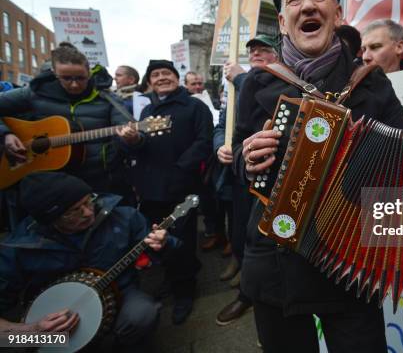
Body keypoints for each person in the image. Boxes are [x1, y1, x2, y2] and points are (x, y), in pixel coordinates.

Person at [234, 0, 403, 351]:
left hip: (351, 264)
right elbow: (235, 170)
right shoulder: (255, 85)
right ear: (282, 21)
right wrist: (247, 161)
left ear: (338, 13)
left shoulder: (370, 82)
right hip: (275, 265)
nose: (308, 4)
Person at [0, 172, 169, 351]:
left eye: (89, 201)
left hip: (119, 292)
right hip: (58, 328)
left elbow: (162, 253)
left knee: (142, 315)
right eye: (74, 211)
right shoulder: (18, 248)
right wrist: (31, 333)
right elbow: (4, 339)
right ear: (49, 220)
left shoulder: (121, 216)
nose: (89, 213)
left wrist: (164, 244)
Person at [117, 59, 213, 325]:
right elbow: (140, 147)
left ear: (176, 78)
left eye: (166, 73)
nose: (161, 77)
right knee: (159, 240)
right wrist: (132, 141)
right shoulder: (147, 110)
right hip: (150, 191)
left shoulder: (195, 106)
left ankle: (185, 292)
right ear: (149, 81)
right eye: (155, 74)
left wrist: (179, 169)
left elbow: (204, 143)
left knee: (182, 241)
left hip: (182, 189)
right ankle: (173, 279)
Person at [0, 42, 130, 191]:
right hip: (45, 182)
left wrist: (133, 139)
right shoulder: (34, 93)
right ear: (55, 73)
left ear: (89, 73)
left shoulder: (108, 98)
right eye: (66, 78)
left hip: (98, 181)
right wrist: (5, 134)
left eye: (80, 78)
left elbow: (132, 138)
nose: (74, 84)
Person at [215, 34, 278, 327]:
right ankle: (245, 288)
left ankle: (260, 302)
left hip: (271, 181)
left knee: (266, 244)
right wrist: (223, 146)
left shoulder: (279, 83)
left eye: (263, 50)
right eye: (252, 51)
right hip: (241, 175)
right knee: (240, 231)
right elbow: (223, 125)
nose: (255, 55)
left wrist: (242, 79)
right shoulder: (236, 88)